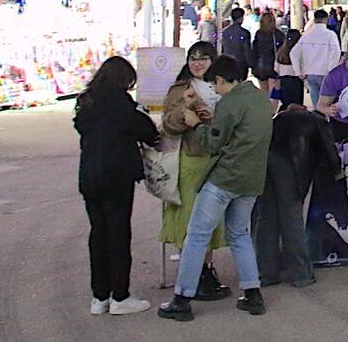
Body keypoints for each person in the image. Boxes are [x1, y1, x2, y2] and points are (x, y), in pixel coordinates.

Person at [158, 55, 273, 321]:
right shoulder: (260, 98)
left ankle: (182, 299)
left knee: (197, 236)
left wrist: (196, 124)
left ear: (221, 80)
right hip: (252, 180)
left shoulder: (229, 103)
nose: (215, 91)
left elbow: (212, 144)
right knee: (240, 234)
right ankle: (252, 293)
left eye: (215, 85)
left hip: (224, 180)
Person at [74, 55, 160, 315]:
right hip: (117, 176)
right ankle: (120, 296)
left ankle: (99, 296)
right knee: (118, 233)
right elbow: (149, 132)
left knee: (98, 233)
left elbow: (81, 127)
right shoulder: (123, 104)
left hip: (90, 175)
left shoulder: (86, 101)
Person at [159, 42, 230, 302]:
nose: (197, 63)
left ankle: (206, 269)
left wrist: (212, 117)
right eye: (193, 58)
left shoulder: (222, 86)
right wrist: (186, 113)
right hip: (190, 159)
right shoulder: (180, 89)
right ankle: (193, 275)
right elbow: (167, 124)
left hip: (217, 159)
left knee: (211, 219)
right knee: (190, 217)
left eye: (203, 58)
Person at [254, 104, 341, 288]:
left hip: (263, 161)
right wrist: (337, 171)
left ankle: (266, 273)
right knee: (291, 218)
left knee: (266, 217)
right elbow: (330, 151)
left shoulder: (278, 119)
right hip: (290, 166)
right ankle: (301, 274)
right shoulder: (318, 121)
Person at [289, 9, 342, 108]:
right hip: (325, 73)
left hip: (310, 73)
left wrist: (298, 72)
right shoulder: (331, 35)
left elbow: (294, 53)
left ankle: (317, 117)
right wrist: (331, 70)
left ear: (314, 19)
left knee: (316, 104)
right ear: (326, 19)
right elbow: (336, 52)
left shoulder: (306, 35)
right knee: (327, 104)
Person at [273, 29, 305, 109]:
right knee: (297, 105)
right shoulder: (300, 51)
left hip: (283, 80)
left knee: (286, 104)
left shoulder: (281, 51)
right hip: (296, 81)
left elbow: (276, 68)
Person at [250, 11, 281, 90]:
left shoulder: (258, 34)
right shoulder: (278, 34)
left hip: (261, 66)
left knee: (263, 90)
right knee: (273, 91)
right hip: (274, 65)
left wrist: (253, 66)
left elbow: (254, 51)